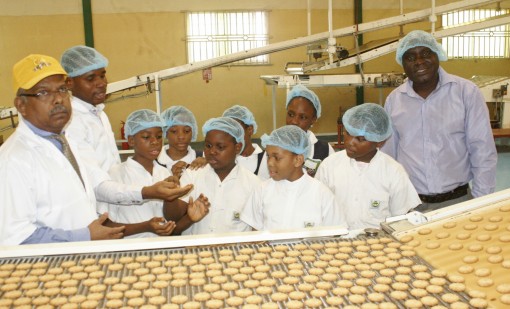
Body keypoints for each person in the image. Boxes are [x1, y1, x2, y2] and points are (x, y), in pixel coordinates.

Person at [0, 55, 183, 245]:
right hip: (48, 268)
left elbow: (91, 190)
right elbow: (14, 237)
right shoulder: (14, 159)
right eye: (43, 93)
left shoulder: (65, 142)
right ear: (21, 105)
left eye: (62, 89)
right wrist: (84, 236)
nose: (58, 100)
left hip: (80, 259)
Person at [381, 30, 498, 212]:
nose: (419, 61)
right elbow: (389, 156)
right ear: (402, 64)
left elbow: (482, 150)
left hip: (458, 202)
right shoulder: (394, 101)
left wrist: (480, 202)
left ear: (438, 55)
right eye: (410, 57)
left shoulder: (466, 92)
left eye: (426, 54)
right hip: (410, 204)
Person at [97, 109, 209, 238]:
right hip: (130, 251)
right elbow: (105, 225)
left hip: (163, 251)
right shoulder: (115, 174)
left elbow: (172, 224)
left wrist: (186, 214)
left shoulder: (164, 173)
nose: (155, 142)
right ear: (131, 140)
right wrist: (146, 227)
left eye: (159, 136)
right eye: (146, 137)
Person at [316, 103, 421, 230]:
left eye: (360, 139)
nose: (349, 142)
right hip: (337, 241)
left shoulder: (393, 172)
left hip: (380, 243)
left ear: (379, 141)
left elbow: (400, 219)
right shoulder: (329, 166)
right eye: (348, 133)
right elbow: (317, 209)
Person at [164, 117, 262, 235]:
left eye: (220, 147)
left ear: (237, 147)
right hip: (196, 252)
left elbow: (256, 231)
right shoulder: (193, 174)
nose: (212, 152)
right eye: (208, 146)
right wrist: (170, 196)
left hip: (234, 252)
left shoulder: (253, 183)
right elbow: (172, 217)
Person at [240, 125, 342, 231]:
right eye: (268, 156)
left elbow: (336, 233)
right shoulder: (261, 191)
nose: (270, 163)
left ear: (298, 160)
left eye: (277, 158)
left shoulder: (322, 195)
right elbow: (255, 232)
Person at [61, 45, 119, 172]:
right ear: (69, 83)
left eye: (102, 76)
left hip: (115, 188)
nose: (102, 83)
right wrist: (141, 191)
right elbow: (93, 177)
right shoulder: (72, 121)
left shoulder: (99, 113)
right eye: (90, 78)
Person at [258, 84, 334, 179]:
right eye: (291, 114)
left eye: (302, 117)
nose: (294, 121)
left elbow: (331, 182)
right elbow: (262, 181)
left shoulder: (325, 150)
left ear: (314, 119)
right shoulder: (274, 147)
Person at [158, 105, 206, 178]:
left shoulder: (203, 158)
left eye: (186, 131)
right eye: (174, 131)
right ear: (165, 133)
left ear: (193, 131)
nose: (181, 137)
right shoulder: (154, 161)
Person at [222, 105, 266, 176]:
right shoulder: (223, 160)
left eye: (237, 130)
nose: (232, 136)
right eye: (228, 131)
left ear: (250, 130)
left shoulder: (266, 159)